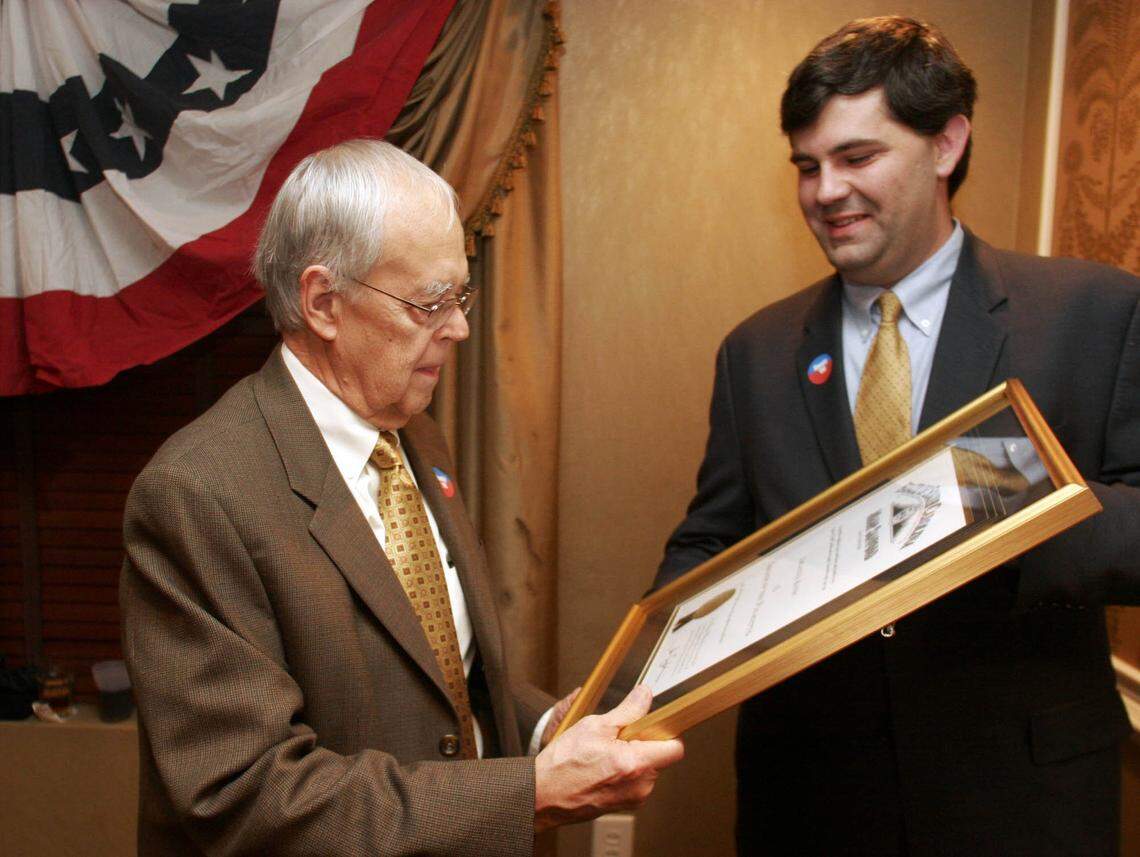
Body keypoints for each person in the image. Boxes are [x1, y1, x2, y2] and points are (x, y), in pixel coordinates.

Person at [655, 16, 1139, 857]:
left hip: (1021, 800)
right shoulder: (755, 351)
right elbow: (713, 537)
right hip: (813, 801)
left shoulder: (1094, 313)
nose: (825, 191)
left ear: (947, 143)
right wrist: (643, 675)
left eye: (856, 157)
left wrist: (1005, 498)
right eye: (807, 166)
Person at [120, 139, 683, 856]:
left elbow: (441, 678)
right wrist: (531, 791)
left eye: (461, 296)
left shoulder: (412, 431)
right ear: (324, 302)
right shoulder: (196, 494)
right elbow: (248, 799)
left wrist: (548, 729)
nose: (460, 327)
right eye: (431, 302)